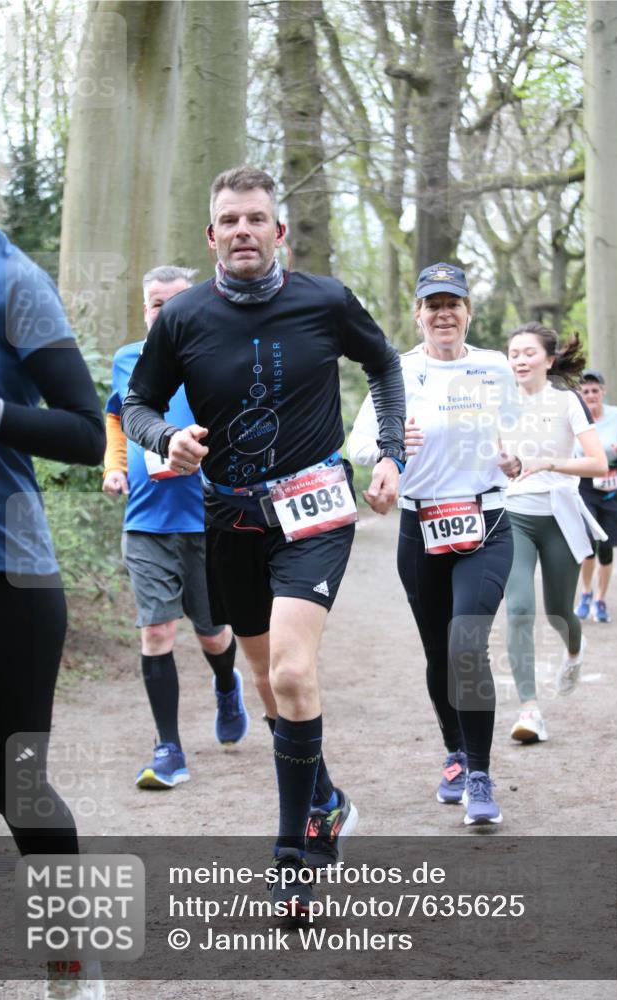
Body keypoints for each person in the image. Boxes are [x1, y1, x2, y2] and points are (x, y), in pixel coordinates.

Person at [120, 165, 405, 913]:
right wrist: (167, 437)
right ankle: (327, 797)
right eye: (229, 221)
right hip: (229, 518)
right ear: (212, 237)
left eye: (256, 218)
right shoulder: (183, 317)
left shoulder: (325, 300)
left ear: (279, 231)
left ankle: (294, 855)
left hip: (313, 510)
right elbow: (138, 402)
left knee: (291, 673)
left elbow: (383, 366)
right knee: (264, 683)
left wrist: (389, 456)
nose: (243, 230)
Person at [0, 109, 106, 999]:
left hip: (3, 573)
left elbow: (85, 434)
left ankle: (71, 953)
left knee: (15, 780)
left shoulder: (13, 284)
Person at [350, 262, 519, 826]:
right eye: (433, 304)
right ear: (418, 313)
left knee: (467, 643)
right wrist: (390, 442)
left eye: (453, 303)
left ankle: (478, 773)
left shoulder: (495, 368)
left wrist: (517, 452)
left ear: (468, 311)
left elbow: (522, 428)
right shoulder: (395, 372)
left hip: (486, 520)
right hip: (420, 526)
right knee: (437, 651)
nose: (443, 313)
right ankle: (452, 751)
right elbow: (357, 447)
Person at [103, 265, 248, 789]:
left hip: (210, 518)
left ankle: (227, 687)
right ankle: (169, 748)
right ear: (145, 309)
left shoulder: (219, 352)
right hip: (146, 519)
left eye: (174, 302)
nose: (163, 312)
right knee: (157, 631)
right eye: (154, 304)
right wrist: (114, 465)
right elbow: (117, 418)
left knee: (212, 634)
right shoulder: (128, 359)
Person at [504, 324, 608, 744]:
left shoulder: (568, 402)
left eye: (529, 353)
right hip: (514, 515)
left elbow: (598, 464)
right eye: (513, 354)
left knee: (558, 613)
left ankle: (574, 652)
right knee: (519, 609)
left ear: (549, 360)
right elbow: (498, 458)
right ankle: (530, 709)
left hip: (560, 516)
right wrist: (506, 464)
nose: (520, 360)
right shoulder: (499, 403)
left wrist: (549, 463)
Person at [574, 370, 617, 623]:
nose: (590, 395)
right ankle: (585, 593)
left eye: (595, 390)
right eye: (585, 391)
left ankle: (600, 599)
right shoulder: (576, 417)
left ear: (603, 391)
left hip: (611, 483)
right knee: (587, 545)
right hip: (585, 484)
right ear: (580, 394)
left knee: (607, 548)